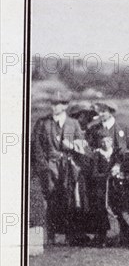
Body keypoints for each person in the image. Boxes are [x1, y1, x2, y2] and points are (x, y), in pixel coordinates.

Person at [32, 93, 89, 245]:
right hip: (49, 165)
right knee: (51, 199)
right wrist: (43, 166)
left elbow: (81, 145)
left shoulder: (73, 124)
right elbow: (36, 147)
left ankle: (69, 235)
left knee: (68, 199)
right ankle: (50, 236)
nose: (54, 107)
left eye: (57, 104)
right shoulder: (43, 123)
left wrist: (73, 148)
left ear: (65, 106)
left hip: (68, 166)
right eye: (52, 103)